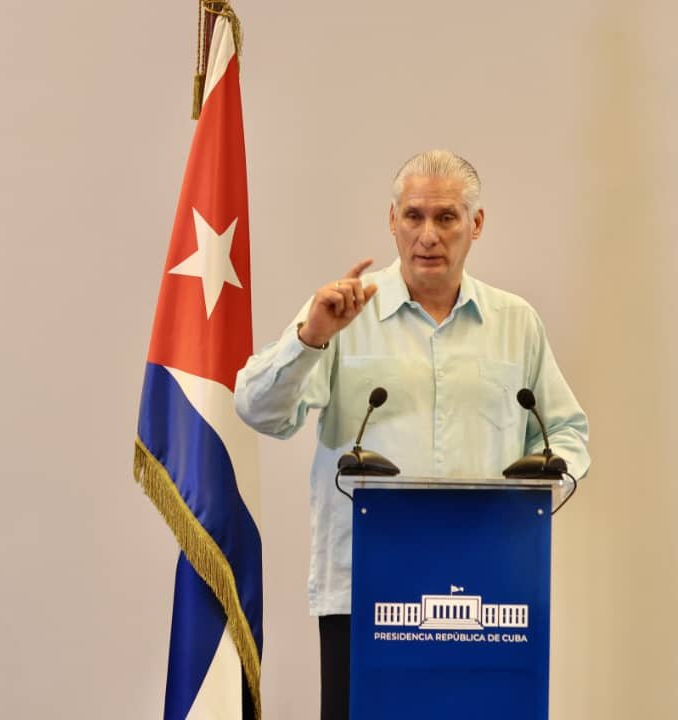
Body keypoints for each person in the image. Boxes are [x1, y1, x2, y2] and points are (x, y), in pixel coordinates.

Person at [233, 150, 589, 720]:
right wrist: (311, 337)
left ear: (475, 224)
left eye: (446, 217)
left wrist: (543, 484)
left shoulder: (515, 321)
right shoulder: (344, 312)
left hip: (488, 594)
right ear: (392, 220)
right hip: (365, 592)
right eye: (414, 216)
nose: (428, 235)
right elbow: (258, 410)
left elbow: (566, 432)